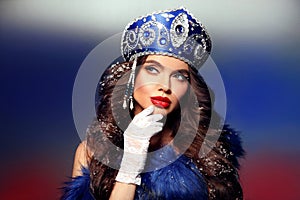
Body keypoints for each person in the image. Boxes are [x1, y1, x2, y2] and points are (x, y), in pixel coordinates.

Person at [61, 7, 245, 200]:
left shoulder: (207, 150)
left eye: (179, 77)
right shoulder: (93, 150)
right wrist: (132, 158)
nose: (165, 86)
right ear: (131, 76)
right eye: (153, 70)